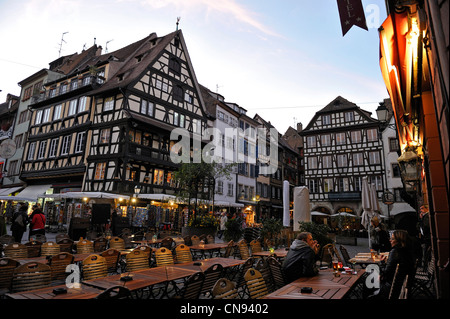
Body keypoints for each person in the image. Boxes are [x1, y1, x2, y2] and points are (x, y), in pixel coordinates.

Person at [370, 229, 416, 299]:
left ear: (399, 241)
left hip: (392, 287)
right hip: (402, 285)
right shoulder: (408, 251)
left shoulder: (395, 251)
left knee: (369, 281)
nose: (390, 240)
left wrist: (382, 262)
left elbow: (386, 272)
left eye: (392, 239)